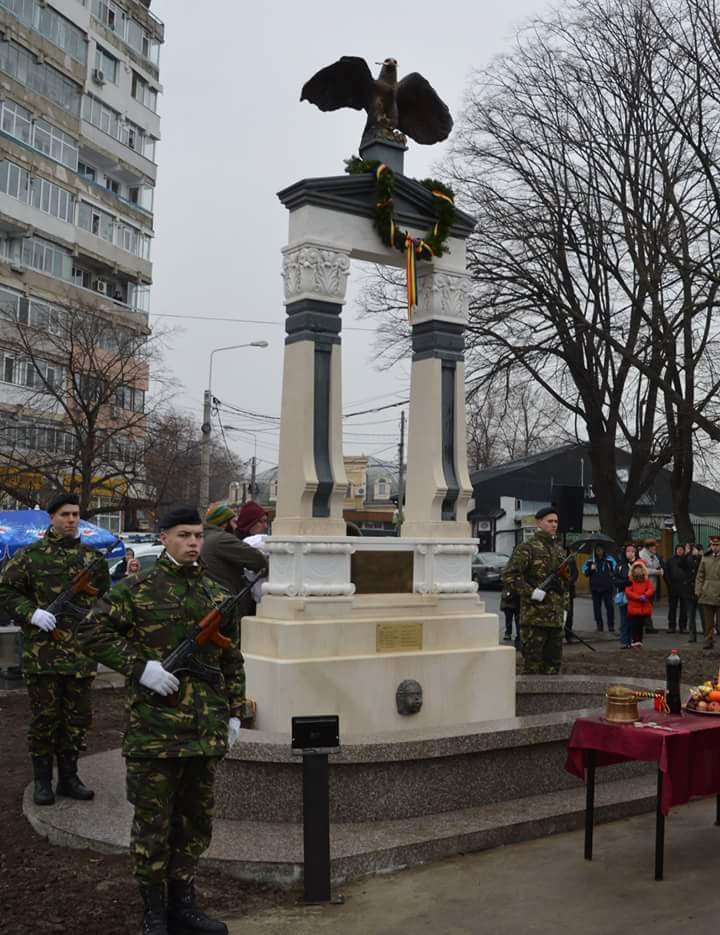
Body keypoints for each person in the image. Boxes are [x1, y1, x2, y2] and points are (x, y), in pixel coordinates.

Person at [78, 506, 242, 935]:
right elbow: (92, 631)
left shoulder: (216, 593)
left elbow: (230, 659)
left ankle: (183, 906)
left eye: (198, 535)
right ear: (164, 537)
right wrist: (139, 667)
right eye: (184, 534)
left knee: (194, 825)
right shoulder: (137, 588)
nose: (192, 543)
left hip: (203, 732)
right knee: (153, 827)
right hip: (154, 733)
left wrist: (235, 712)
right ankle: (153, 913)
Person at [0, 492, 111, 806]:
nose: (71, 520)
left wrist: (93, 618)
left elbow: (103, 598)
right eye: (65, 515)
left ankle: (70, 777)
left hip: (80, 655)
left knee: (77, 719)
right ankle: (42, 781)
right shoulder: (31, 556)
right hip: (44, 655)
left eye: (76, 514)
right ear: (52, 518)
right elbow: (5, 592)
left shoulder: (92, 559)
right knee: (44, 720)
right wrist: (31, 613)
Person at [502, 507, 567, 675]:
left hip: (555, 618)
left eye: (556, 521)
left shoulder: (559, 550)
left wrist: (565, 608)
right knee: (532, 667)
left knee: (553, 666)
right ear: (539, 522)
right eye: (550, 521)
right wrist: (530, 592)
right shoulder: (527, 548)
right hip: (534, 619)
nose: (554, 525)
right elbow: (510, 575)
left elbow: (564, 583)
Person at [200, 500, 268, 602]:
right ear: (224, 524)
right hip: (227, 600)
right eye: (233, 522)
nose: (236, 526)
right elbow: (258, 560)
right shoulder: (222, 539)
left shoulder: (203, 538)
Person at [581, 545, 617, 632]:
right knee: (596, 608)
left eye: (600, 549)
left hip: (607, 587)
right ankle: (599, 625)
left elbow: (615, 570)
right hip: (595, 588)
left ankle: (611, 625)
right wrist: (591, 569)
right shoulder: (590, 560)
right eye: (597, 550)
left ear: (603, 550)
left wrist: (612, 576)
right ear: (595, 551)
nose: (599, 551)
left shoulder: (609, 559)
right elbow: (585, 572)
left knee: (609, 607)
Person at [695, 535, 720, 651]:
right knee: (708, 621)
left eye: (717, 545)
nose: (715, 547)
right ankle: (708, 640)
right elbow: (700, 576)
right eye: (713, 545)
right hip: (707, 592)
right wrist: (698, 590)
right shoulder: (705, 558)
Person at [625, 559, 655, 647]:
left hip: (643, 607)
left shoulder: (646, 580)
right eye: (636, 568)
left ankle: (639, 641)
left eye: (640, 568)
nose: (638, 570)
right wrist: (638, 597)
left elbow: (651, 589)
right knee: (634, 625)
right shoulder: (630, 580)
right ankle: (634, 641)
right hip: (634, 607)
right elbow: (628, 591)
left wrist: (645, 595)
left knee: (640, 626)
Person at [613, 543, 637, 648]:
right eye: (628, 551)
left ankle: (634, 639)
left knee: (635, 619)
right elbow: (615, 579)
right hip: (624, 595)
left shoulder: (638, 564)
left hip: (636, 595)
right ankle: (625, 640)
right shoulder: (620, 565)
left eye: (632, 551)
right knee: (624, 618)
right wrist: (626, 582)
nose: (630, 553)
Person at [639, 539, 663, 631]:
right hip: (645, 585)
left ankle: (647, 625)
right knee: (646, 606)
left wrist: (659, 569)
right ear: (649, 547)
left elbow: (657, 564)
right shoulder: (642, 555)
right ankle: (648, 626)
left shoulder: (652, 555)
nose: (656, 548)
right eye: (654, 546)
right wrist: (657, 572)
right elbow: (643, 570)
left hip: (652, 585)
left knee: (648, 606)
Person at [664, 543, 689, 634]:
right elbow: (666, 572)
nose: (679, 551)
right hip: (673, 587)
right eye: (678, 549)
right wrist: (669, 583)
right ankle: (671, 626)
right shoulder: (670, 559)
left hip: (684, 587)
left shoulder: (686, 559)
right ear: (675, 550)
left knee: (684, 608)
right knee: (672, 608)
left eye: (681, 549)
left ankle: (683, 627)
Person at [684, 543, 704, 643]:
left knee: (704, 615)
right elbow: (681, 564)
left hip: (700, 592)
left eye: (695, 550)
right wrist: (686, 554)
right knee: (691, 615)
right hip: (689, 591)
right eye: (693, 549)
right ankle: (692, 635)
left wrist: (700, 555)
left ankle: (707, 635)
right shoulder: (688, 558)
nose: (694, 551)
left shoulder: (703, 559)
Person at [564, 548, 578, 643]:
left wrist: (570, 580)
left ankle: (568, 635)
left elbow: (575, 573)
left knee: (569, 614)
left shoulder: (571, 560)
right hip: (558, 590)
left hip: (569, 590)